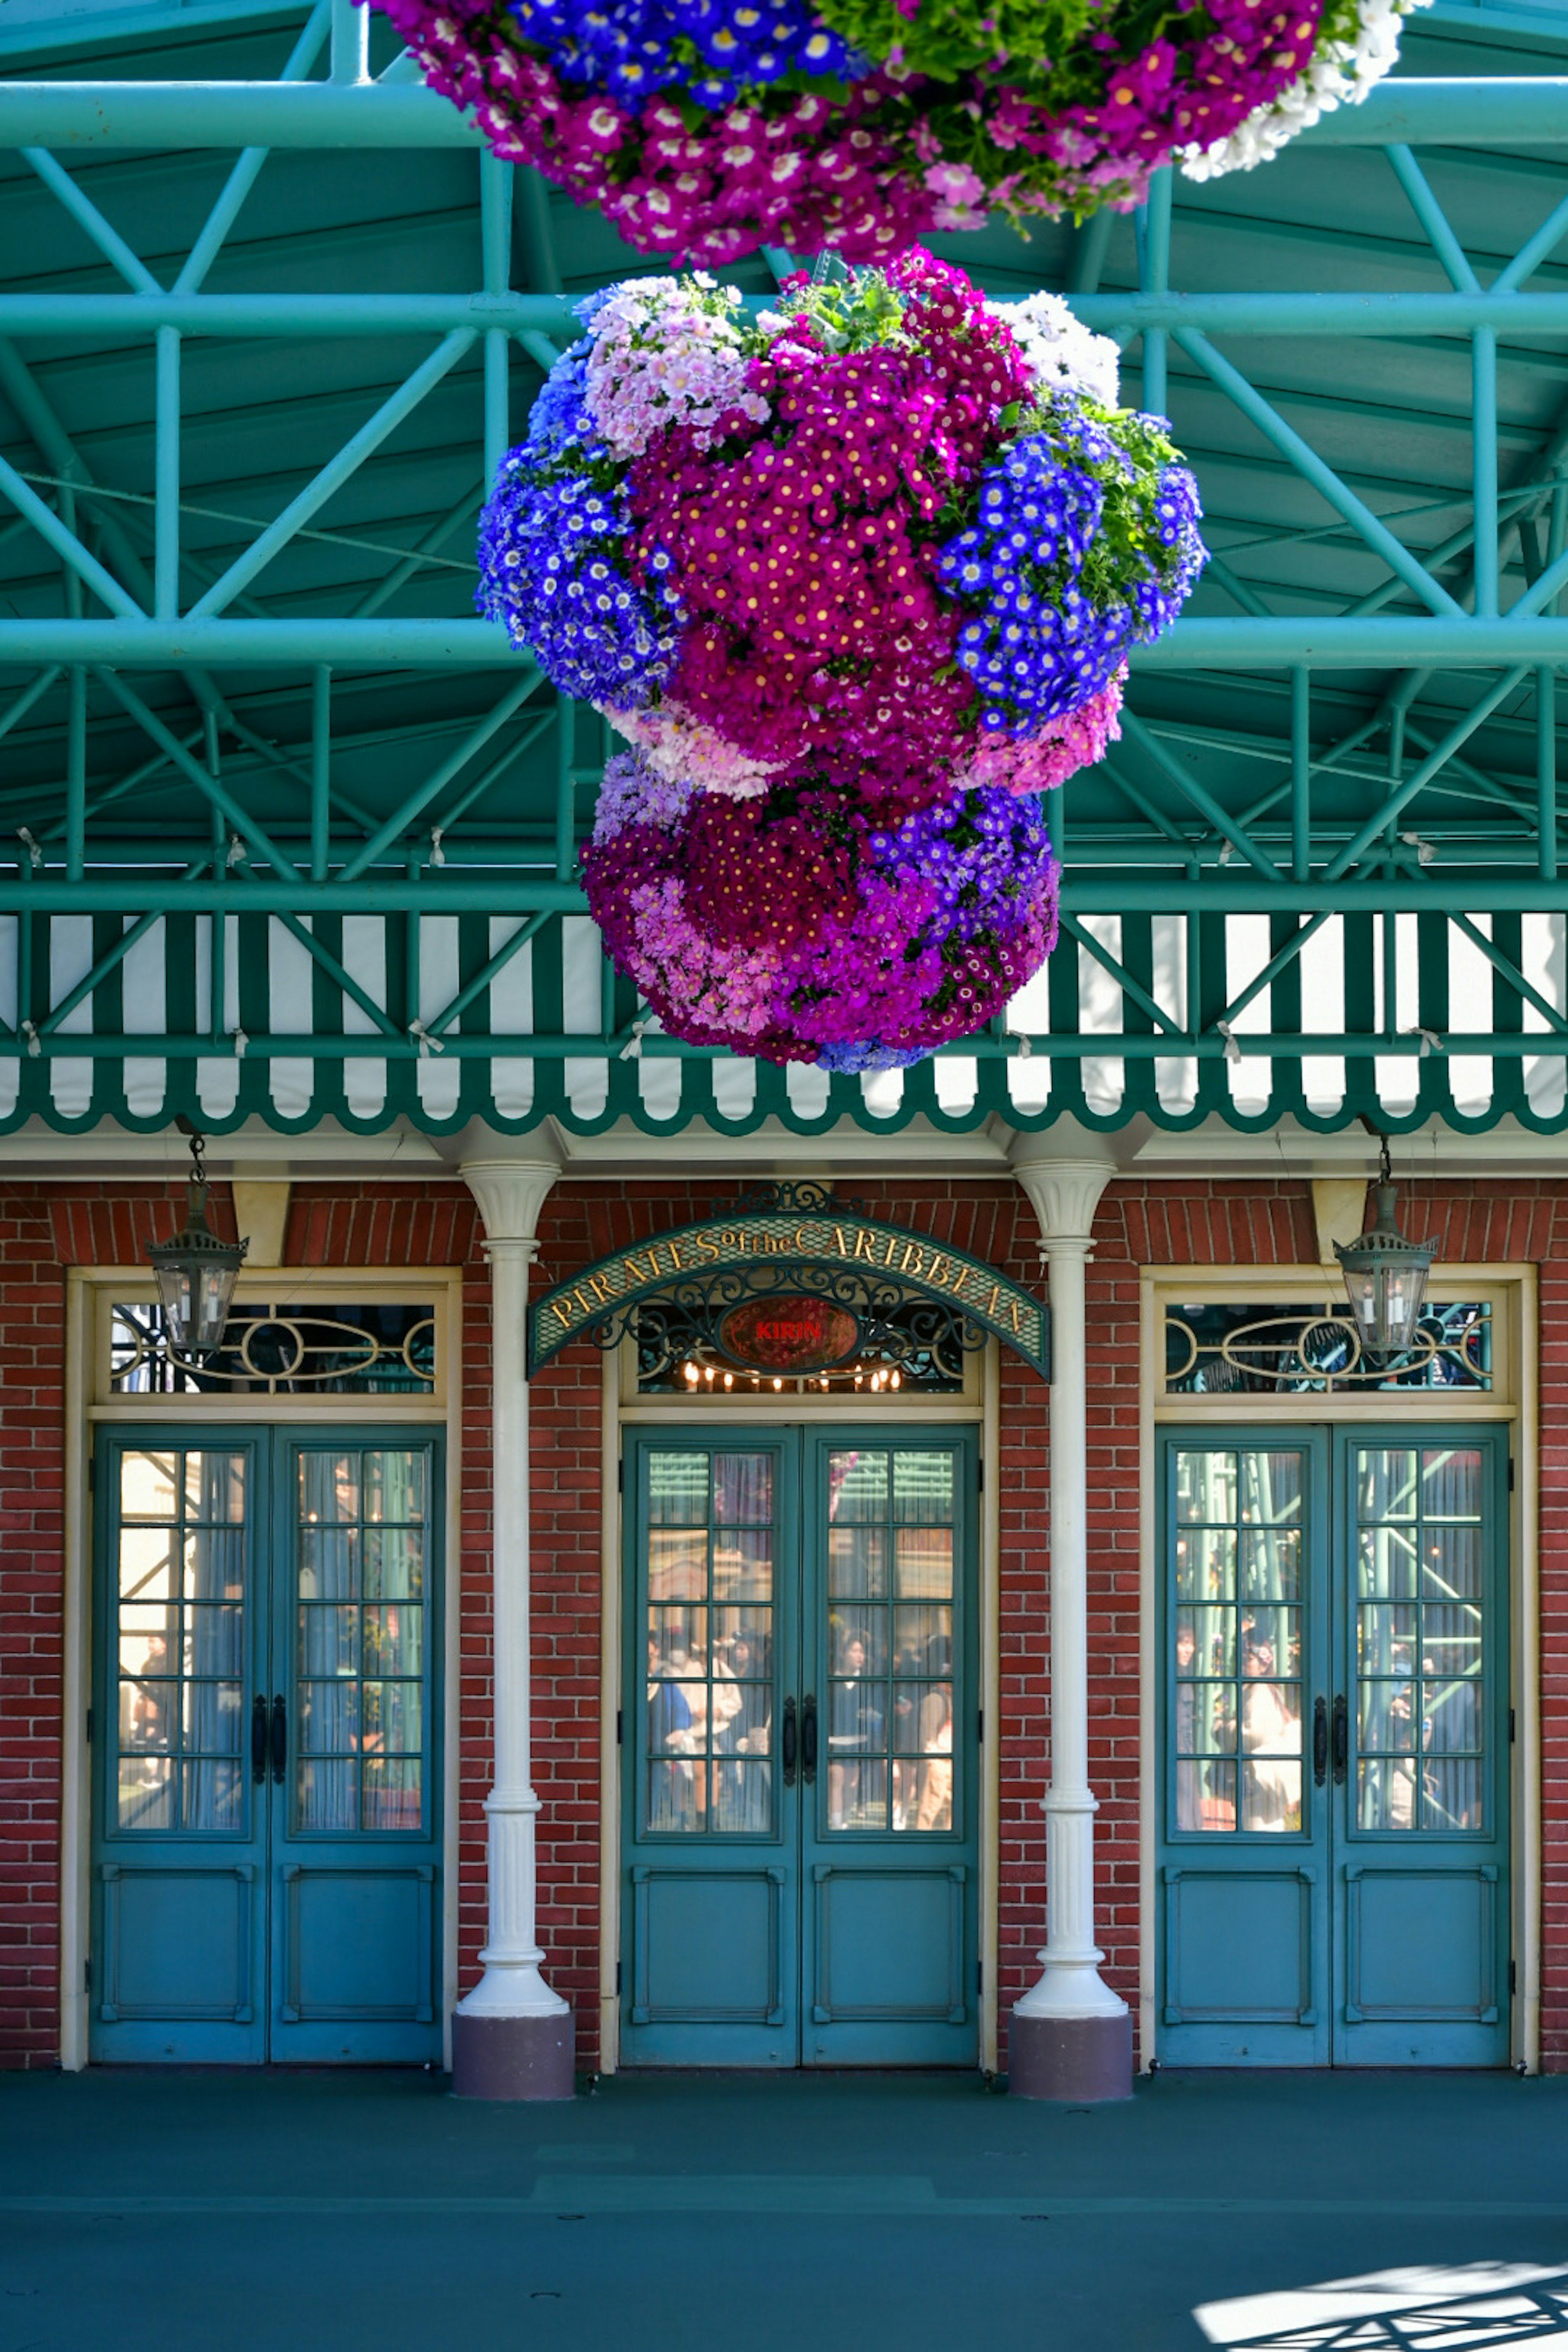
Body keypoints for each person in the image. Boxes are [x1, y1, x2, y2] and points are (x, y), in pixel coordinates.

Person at [1239, 1633, 1301, 1831]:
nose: (1243, 1664)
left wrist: (1222, 1728)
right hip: (1267, 1779)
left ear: (1263, 1665)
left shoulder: (1258, 1691)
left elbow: (1254, 1734)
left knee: (1257, 1831)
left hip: (1259, 1780)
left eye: (1248, 1660)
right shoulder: (1271, 1690)